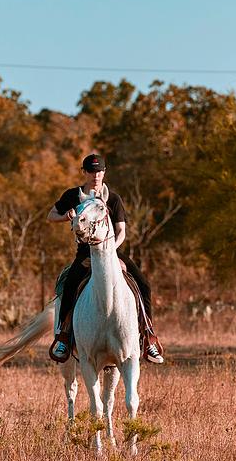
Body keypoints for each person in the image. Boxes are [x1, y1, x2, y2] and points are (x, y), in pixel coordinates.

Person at [47, 153, 164, 364]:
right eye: (92, 171)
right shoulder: (73, 195)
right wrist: (65, 216)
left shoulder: (113, 198)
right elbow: (50, 215)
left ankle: (148, 337)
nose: (96, 175)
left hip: (112, 251)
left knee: (144, 285)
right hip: (85, 253)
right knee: (70, 285)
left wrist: (110, 253)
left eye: (99, 171)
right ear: (84, 172)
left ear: (104, 172)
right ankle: (64, 336)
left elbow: (121, 232)